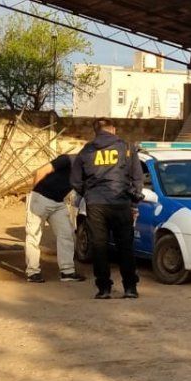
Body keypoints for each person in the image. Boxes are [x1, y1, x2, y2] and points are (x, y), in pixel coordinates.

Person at [71, 119, 143, 299]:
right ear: (113, 129)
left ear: (96, 132)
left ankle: (103, 289)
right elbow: (137, 178)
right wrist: (134, 202)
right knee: (125, 246)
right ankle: (130, 288)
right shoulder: (126, 147)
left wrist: (88, 194)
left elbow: (75, 181)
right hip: (121, 202)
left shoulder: (86, 151)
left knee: (99, 246)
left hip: (96, 205)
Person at [23, 155, 86, 283]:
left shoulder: (88, 168)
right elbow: (41, 172)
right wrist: (35, 194)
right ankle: (33, 272)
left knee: (66, 234)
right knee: (34, 235)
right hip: (40, 198)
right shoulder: (67, 159)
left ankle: (67, 271)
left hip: (58, 202)